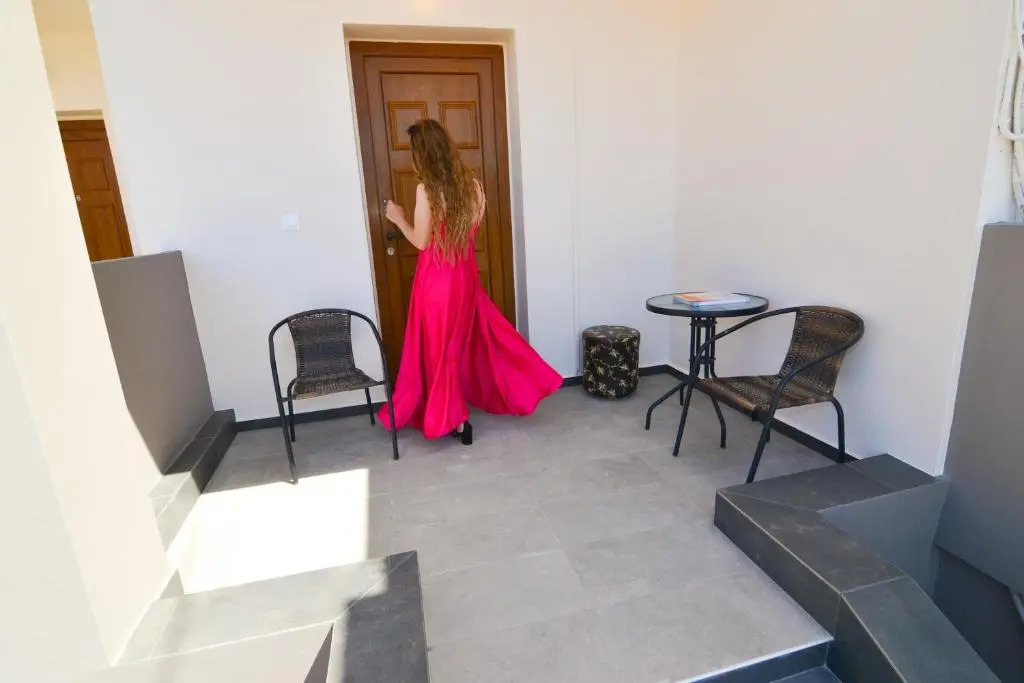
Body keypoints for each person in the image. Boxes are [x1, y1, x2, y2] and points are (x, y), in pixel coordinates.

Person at [378, 119, 562, 444]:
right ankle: (457, 412)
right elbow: (466, 235)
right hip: (463, 279)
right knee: (463, 345)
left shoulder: (426, 189)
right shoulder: (473, 187)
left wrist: (398, 218)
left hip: (436, 282)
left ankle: (455, 418)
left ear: (423, 154)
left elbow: (421, 241)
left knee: (438, 350)